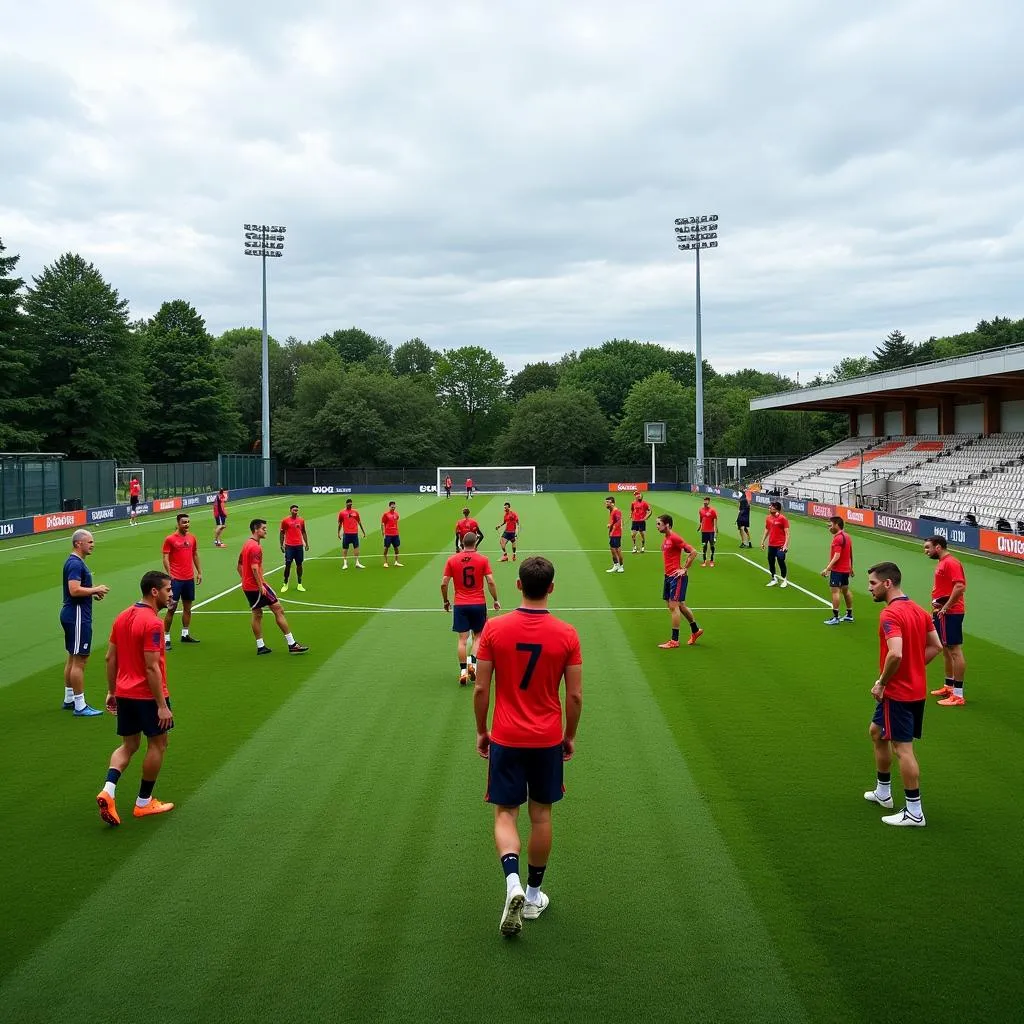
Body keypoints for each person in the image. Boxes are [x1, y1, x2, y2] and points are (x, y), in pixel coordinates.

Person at [473, 556, 583, 937]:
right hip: (547, 738)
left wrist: (480, 730)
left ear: (519, 586)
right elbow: (576, 696)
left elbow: (482, 686)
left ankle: (512, 884)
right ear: (551, 588)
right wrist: (569, 736)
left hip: (506, 736)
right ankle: (534, 895)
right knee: (541, 815)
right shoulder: (567, 633)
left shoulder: (494, 628)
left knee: (506, 812)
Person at [864, 562, 942, 827]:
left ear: (887, 583)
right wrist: (914, 667)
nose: (869, 588)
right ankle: (883, 792)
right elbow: (936, 646)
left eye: (873, 583)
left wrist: (882, 682)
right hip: (915, 690)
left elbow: (895, 652)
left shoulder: (890, 615)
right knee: (876, 731)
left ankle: (914, 812)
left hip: (897, 692)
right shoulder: (919, 611)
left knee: (903, 749)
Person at [96, 571, 177, 826]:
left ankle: (108, 789)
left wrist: (112, 691)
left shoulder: (122, 616)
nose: (171, 594)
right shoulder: (153, 623)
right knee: (158, 744)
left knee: (129, 745)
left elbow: (110, 658)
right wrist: (162, 706)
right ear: (155, 592)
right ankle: (144, 802)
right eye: (168, 590)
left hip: (124, 692)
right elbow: (152, 667)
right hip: (148, 696)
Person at [238, 519, 309, 655]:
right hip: (257, 586)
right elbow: (254, 568)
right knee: (278, 609)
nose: (266, 530)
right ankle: (292, 644)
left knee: (257, 614)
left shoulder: (247, 543)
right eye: (263, 528)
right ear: (256, 529)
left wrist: (244, 579)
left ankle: (261, 646)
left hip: (249, 586)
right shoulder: (255, 547)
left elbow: (239, 563)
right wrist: (260, 586)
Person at [60, 529, 110, 716]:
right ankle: (80, 705)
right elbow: (74, 590)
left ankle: (69, 698)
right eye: (89, 542)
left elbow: (78, 590)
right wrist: (95, 588)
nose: (93, 544)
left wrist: (92, 593)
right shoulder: (75, 564)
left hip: (74, 613)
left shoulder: (74, 562)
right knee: (80, 659)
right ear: (78, 544)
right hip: (78, 615)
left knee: (73, 657)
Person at [441, 532, 500, 685]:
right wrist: (495, 599)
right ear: (475, 543)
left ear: (461, 543)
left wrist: (446, 601)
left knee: (462, 640)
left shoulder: (452, 560)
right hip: (478, 603)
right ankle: (472, 663)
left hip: (460, 604)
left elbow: (444, 583)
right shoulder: (483, 559)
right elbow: (491, 581)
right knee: (478, 636)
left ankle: (462, 671)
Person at [924, 535, 968, 706]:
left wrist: (946, 607)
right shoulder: (942, 563)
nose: (926, 551)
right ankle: (949, 686)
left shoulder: (951, 563)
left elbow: (960, 586)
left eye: (928, 547)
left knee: (954, 650)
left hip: (950, 613)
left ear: (938, 547)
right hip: (942, 612)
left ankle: (958, 695)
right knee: (946, 649)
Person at [655, 514, 702, 648]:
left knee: (673, 606)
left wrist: (684, 568)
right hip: (668, 576)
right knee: (680, 606)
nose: (657, 526)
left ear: (667, 525)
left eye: (659, 524)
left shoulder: (674, 537)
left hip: (676, 577)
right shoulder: (666, 538)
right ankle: (696, 630)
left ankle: (674, 641)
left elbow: (693, 552)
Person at [161, 513, 202, 648]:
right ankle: (166, 638)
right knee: (171, 609)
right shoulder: (170, 539)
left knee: (188, 609)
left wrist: (199, 572)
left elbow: (195, 554)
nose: (187, 525)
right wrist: (170, 574)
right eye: (184, 522)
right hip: (176, 580)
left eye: (188, 522)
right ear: (178, 523)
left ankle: (185, 634)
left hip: (188, 579)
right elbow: (165, 557)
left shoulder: (192, 538)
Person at [821, 516, 854, 625]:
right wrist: (851, 567)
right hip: (845, 570)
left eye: (830, 525)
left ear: (836, 525)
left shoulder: (838, 538)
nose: (829, 527)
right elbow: (850, 553)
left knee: (835, 592)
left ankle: (835, 617)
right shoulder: (847, 536)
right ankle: (849, 615)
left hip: (838, 570)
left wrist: (827, 568)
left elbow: (837, 556)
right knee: (846, 591)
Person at [279, 504, 310, 592]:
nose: (295, 511)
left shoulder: (301, 520)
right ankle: (285, 583)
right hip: (289, 546)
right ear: (290, 511)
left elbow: (304, 532)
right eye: (294, 510)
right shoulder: (285, 521)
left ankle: (299, 584)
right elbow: (282, 533)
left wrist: (306, 544)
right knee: (288, 564)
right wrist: (281, 545)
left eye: (297, 510)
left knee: (299, 564)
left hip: (299, 546)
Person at [761, 500, 790, 588]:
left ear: (776, 508)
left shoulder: (782, 519)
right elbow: (767, 530)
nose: (770, 508)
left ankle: (784, 579)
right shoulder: (768, 518)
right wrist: (762, 541)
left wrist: (785, 545)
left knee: (781, 560)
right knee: (771, 561)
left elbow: (787, 533)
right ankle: (773, 578)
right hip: (771, 544)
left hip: (780, 544)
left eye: (772, 506)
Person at [337, 498, 367, 570]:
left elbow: (359, 522)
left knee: (356, 547)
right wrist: (338, 532)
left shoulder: (355, 512)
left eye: (351, 503)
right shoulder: (342, 513)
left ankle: (357, 563)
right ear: (346, 504)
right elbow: (340, 523)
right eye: (348, 503)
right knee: (345, 548)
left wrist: (363, 531)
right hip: (346, 533)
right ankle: (345, 563)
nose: (350, 505)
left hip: (354, 533)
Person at [605, 497, 624, 573]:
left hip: (616, 534)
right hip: (612, 533)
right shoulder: (611, 510)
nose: (606, 503)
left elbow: (619, 522)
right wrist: (610, 525)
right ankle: (616, 565)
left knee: (617, 550)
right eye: (606, 502)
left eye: (608, 502)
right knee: (612, 549)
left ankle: (621, 566)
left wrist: (612, 528)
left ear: (612, 503)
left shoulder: (616, 511)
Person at [380, 501, 403, 567]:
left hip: (395, 534)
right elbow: (382, 523)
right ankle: (385, 562)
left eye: (394, 507)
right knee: (386, 547)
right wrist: (383, 532)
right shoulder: (386, 514)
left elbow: (396, 521)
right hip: (388, 534)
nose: (393, 508)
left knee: (396, 548)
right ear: (389, 507)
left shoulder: (396, 514)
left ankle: (396, 562)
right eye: (392, 507)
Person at [698, 496, 719, 567]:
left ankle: (711, 560)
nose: (705, 502)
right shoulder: (701, 510)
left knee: (712, 545)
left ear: (709, 502)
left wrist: (716, 529)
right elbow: (701, 518)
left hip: (711, 531)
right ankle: (704, 561)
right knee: (704, 545)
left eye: (706, 501)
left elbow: (715, 519)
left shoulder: (712, 511)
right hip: (704, 531)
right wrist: (700, 525)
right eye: (704, 500)